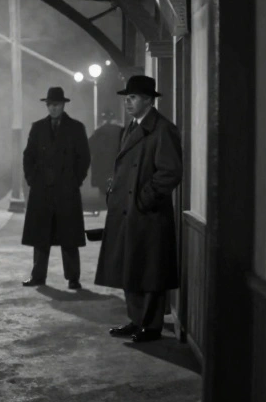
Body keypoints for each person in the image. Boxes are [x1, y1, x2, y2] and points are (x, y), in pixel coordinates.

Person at [95, 75, 183, 343]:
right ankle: (136, 320)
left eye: (133, 98)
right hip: (127, 211)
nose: (127, 102)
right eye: (126, 97)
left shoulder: (162, 129)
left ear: (148, 100)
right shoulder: (131, 127)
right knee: (130, 267)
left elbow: (170, 173)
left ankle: (151, 325)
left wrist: (144, 200)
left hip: (148, 213)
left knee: (150, 270)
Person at [21, 87, 90, 290]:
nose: (53, 108)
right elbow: (29, 156)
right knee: (40, 237)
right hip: (42, 189)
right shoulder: (38, 128)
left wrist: (75, 180)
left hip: (66, 189)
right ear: (47, 105)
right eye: (50, 105)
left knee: (69, 236)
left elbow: (84, 158)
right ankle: (38, 276)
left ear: (63, 105)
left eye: (57, 104)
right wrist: (32, 179)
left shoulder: (76, 128)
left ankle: (73, 278)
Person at [87, 110, 122, 195]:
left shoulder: (98, 132)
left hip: (102, 168)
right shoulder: (121, 131)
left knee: (104, 193)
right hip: (117, 166)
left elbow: (89, 147)